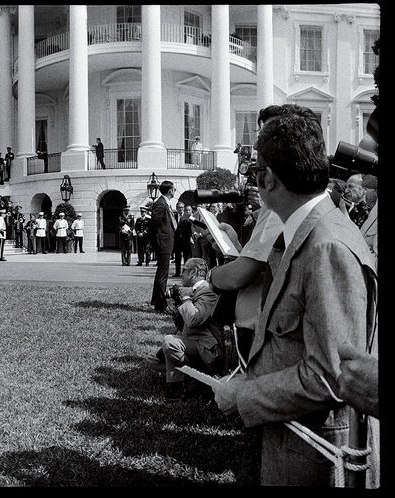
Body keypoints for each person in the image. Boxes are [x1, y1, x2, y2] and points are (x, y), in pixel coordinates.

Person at [210, 103, 377, 486]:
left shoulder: (325, 247)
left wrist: (245, 396)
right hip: (293, 442)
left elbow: (331, 376)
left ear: (268, 178)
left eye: (254, 171)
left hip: (311, 457)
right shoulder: (304, 232)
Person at [157, 258, 223, 401]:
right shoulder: (195, 291)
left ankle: (183, 384)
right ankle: (192, 376)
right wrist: (176, 307)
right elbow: (183, 325)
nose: (181, 274)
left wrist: (185, 298)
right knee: (153, 361)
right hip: (191, 343)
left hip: (206, 349)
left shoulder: (207, 291)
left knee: (169, 342)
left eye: (184, 270)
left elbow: (193, 320)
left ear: (194, 272)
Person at [149, 181, 178, 312]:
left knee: (161, 272)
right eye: (174, 188)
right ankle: (161, 305)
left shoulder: (164, 203)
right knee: (163, 274)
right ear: (170, 190)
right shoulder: (160, 204)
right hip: (163, 242)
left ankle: (156, 301)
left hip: (166, 241)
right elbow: (154, 224)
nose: (175, 190)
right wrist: (156, 241)